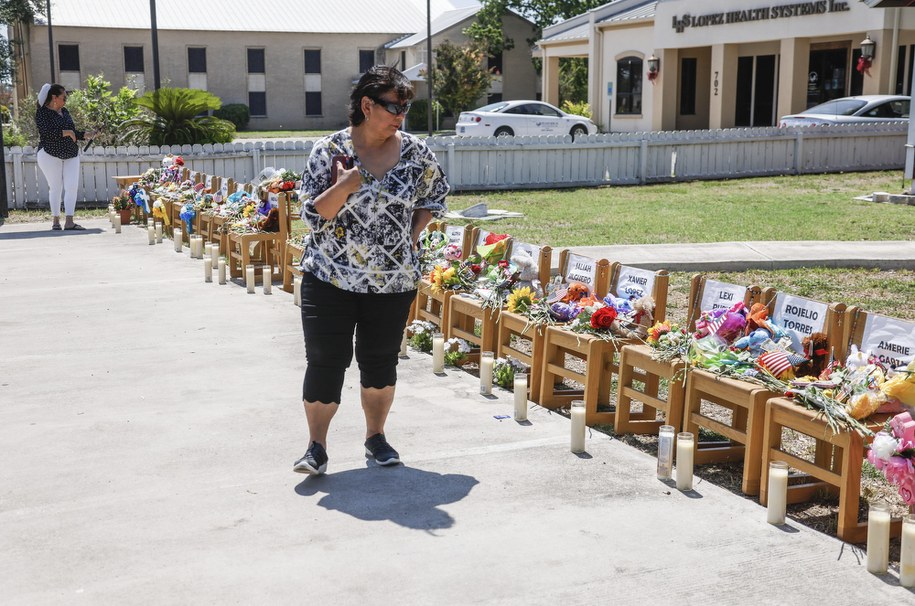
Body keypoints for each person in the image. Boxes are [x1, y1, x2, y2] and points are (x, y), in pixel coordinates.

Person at [294, 65, 449, 475]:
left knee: (379, 363)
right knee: (326, 360)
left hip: (393, 282)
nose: (401, 115)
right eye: (394, 106)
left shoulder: (416, 152)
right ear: (367, 105)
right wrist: (345, 185)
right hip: (330, 279)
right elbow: (312, 216)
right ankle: (316, 447)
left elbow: (436, 194)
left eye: (405, 108)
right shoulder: (330, 151)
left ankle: (375, 438)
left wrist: (411, 236)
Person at [34, 83, 94, 230]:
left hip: (71, 153)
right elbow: (46, 134)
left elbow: (73, 132)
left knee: (71, 187)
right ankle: (55, 220)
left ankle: (69, 221)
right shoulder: (42, 113)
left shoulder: (65, 112)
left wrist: (87, 135)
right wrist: (67, 133)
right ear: (54, 97)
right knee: (55, 187)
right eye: (64, 98)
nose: (65, 100)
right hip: (49, 153)